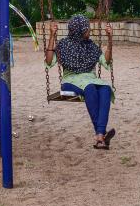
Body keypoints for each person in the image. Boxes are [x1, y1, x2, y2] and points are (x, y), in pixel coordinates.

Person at [45, 15, 116, 150]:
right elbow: (49, 61)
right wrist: (52, 35)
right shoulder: (64, 44)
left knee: (106, 88)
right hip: (71, 80)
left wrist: (110, 39)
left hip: (90, 78)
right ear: (79, 30)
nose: (89, 30)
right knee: (90, 88)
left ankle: (100, 135)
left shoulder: (91, 45)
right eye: (87, 28)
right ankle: (100, 133)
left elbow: (105, 61)